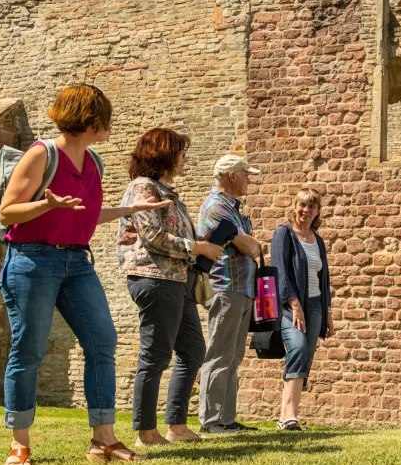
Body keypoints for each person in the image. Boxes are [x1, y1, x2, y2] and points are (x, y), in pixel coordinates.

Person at [0, 84, 165, 465]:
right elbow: (7, 212)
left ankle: (103, 440)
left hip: (77, 263)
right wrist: (46, 205)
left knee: (102, 340)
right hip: (32, 260)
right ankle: (19, 443)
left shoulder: (93, 162)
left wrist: (129, 210)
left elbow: (85, 214)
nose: (110, 125)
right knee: (29, 350)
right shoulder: (42, 154)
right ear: (89, 120)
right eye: (105, 118)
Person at [116, 128, 223, 447]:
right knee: (156, 355)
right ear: (163, 154)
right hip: (155, 279)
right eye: (181, 152)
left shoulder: (165, 191)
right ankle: (146, 433)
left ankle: (176, 424)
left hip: (178, 281)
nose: (185, 158)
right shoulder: (143, 188)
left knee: (192, 350)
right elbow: (153, 237)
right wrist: (198, 247)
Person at [197, 155, 264, 434]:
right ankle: (212, 421)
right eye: (246, 174)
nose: (249, 179)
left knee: (233, 356)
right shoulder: (216, 207)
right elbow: (250, 247)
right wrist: (252, 244)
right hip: (226, 289)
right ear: (233, 175)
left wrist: (251, 244)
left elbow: (250, 245)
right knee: (220, 355)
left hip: (241, 289)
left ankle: (226, 418)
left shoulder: (232, 208)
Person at [271, 189, 333, 431]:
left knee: (305, 357)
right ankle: (287, 414)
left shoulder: (318, 240)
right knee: (296, 348)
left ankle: (290, 416)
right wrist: (294, 304)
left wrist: (328, 312)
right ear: (294, 206)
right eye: (302, 205)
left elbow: (324, 278)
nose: (306, 210)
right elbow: (279, 271)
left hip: (316, 305)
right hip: (291, 306)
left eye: (311, 206)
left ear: (317, 211)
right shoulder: (284, 233)